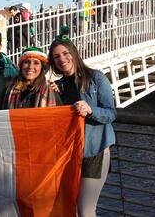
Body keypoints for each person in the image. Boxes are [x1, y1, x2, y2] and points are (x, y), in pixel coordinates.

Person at [48, 29, 116, 217]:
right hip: (70, 153)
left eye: (65, 53)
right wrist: (53, 94)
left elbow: (111, 114)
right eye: (56, 57)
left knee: (86, 210)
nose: (62, 59)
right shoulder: (58, 86)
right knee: (73, 209)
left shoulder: (96, 78)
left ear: (74, 54)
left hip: (95, 150)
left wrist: (91, 110)